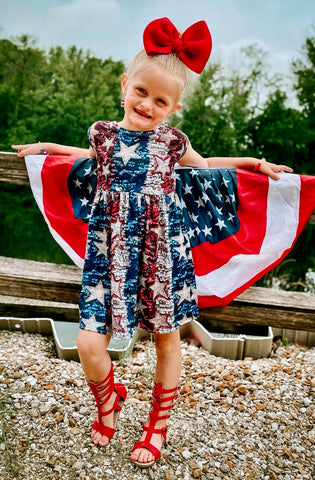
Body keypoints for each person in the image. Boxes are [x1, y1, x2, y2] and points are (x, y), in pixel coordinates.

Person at [12, 17, 293, 468]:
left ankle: (157, 426)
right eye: (141, 92)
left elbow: (207, 167)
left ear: (173, 108)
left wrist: (255, 163)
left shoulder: (171, 142)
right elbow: (87, 157)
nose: (147, 104)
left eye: (160, 100)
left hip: (162, 257)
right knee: (89, 343)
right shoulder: (102, 133)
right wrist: (45, 147)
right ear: (126, 85)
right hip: (108, 255)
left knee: (167, 340)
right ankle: (109, 401)